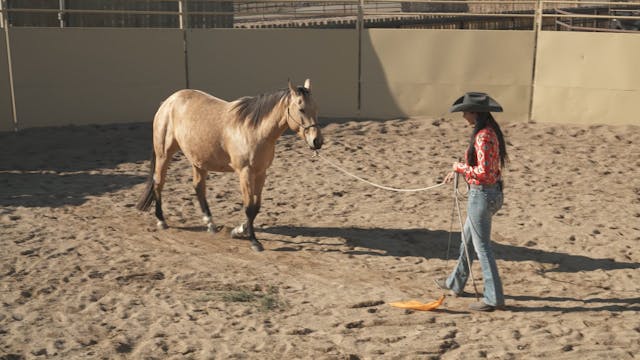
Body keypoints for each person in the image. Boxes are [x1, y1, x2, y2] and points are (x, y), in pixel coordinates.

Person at [436, 92, 508, 312]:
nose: (463, 116)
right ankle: (455, 282)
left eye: (465, 112)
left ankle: (493, 298)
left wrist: (459, 168)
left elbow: (483, 172)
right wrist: (460, 171)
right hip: (490, 194)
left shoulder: (483, 136)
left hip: (482, 195)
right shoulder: (490, 132)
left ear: (474, 113)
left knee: (481, 247)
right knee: (467, 241)